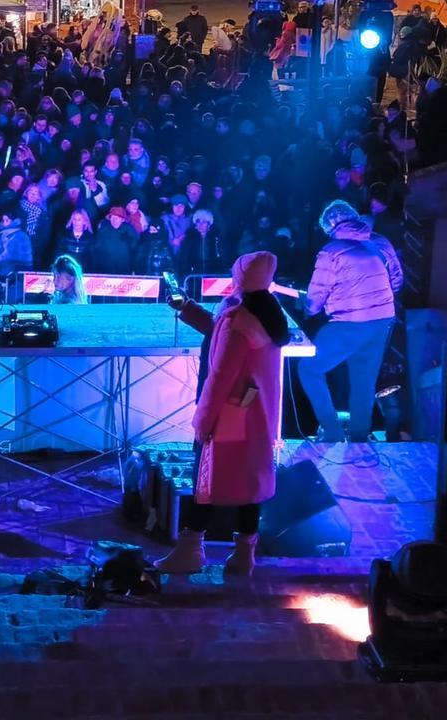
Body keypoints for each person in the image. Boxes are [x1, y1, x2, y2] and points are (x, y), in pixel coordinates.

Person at [155, 251, 289, 576]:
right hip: (255, 413)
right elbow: (218, 333)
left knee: (205, 480)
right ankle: (244, 555)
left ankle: (191, 550)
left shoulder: (238, 318)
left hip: (228, 414)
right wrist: (186, 308)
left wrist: (203, 420)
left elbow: (220, 375)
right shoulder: (267, 312)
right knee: (251, 482)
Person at [298, 201, 403, 442]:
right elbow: (396, 280)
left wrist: (308, 305)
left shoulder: (331, 251)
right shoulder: (380, 242)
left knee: (309, 368)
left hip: (349, 321)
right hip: (382, 320)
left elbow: (315, 301)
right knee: (363, 379)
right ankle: (358, 438)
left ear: (330, 228)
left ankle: (333, 433)